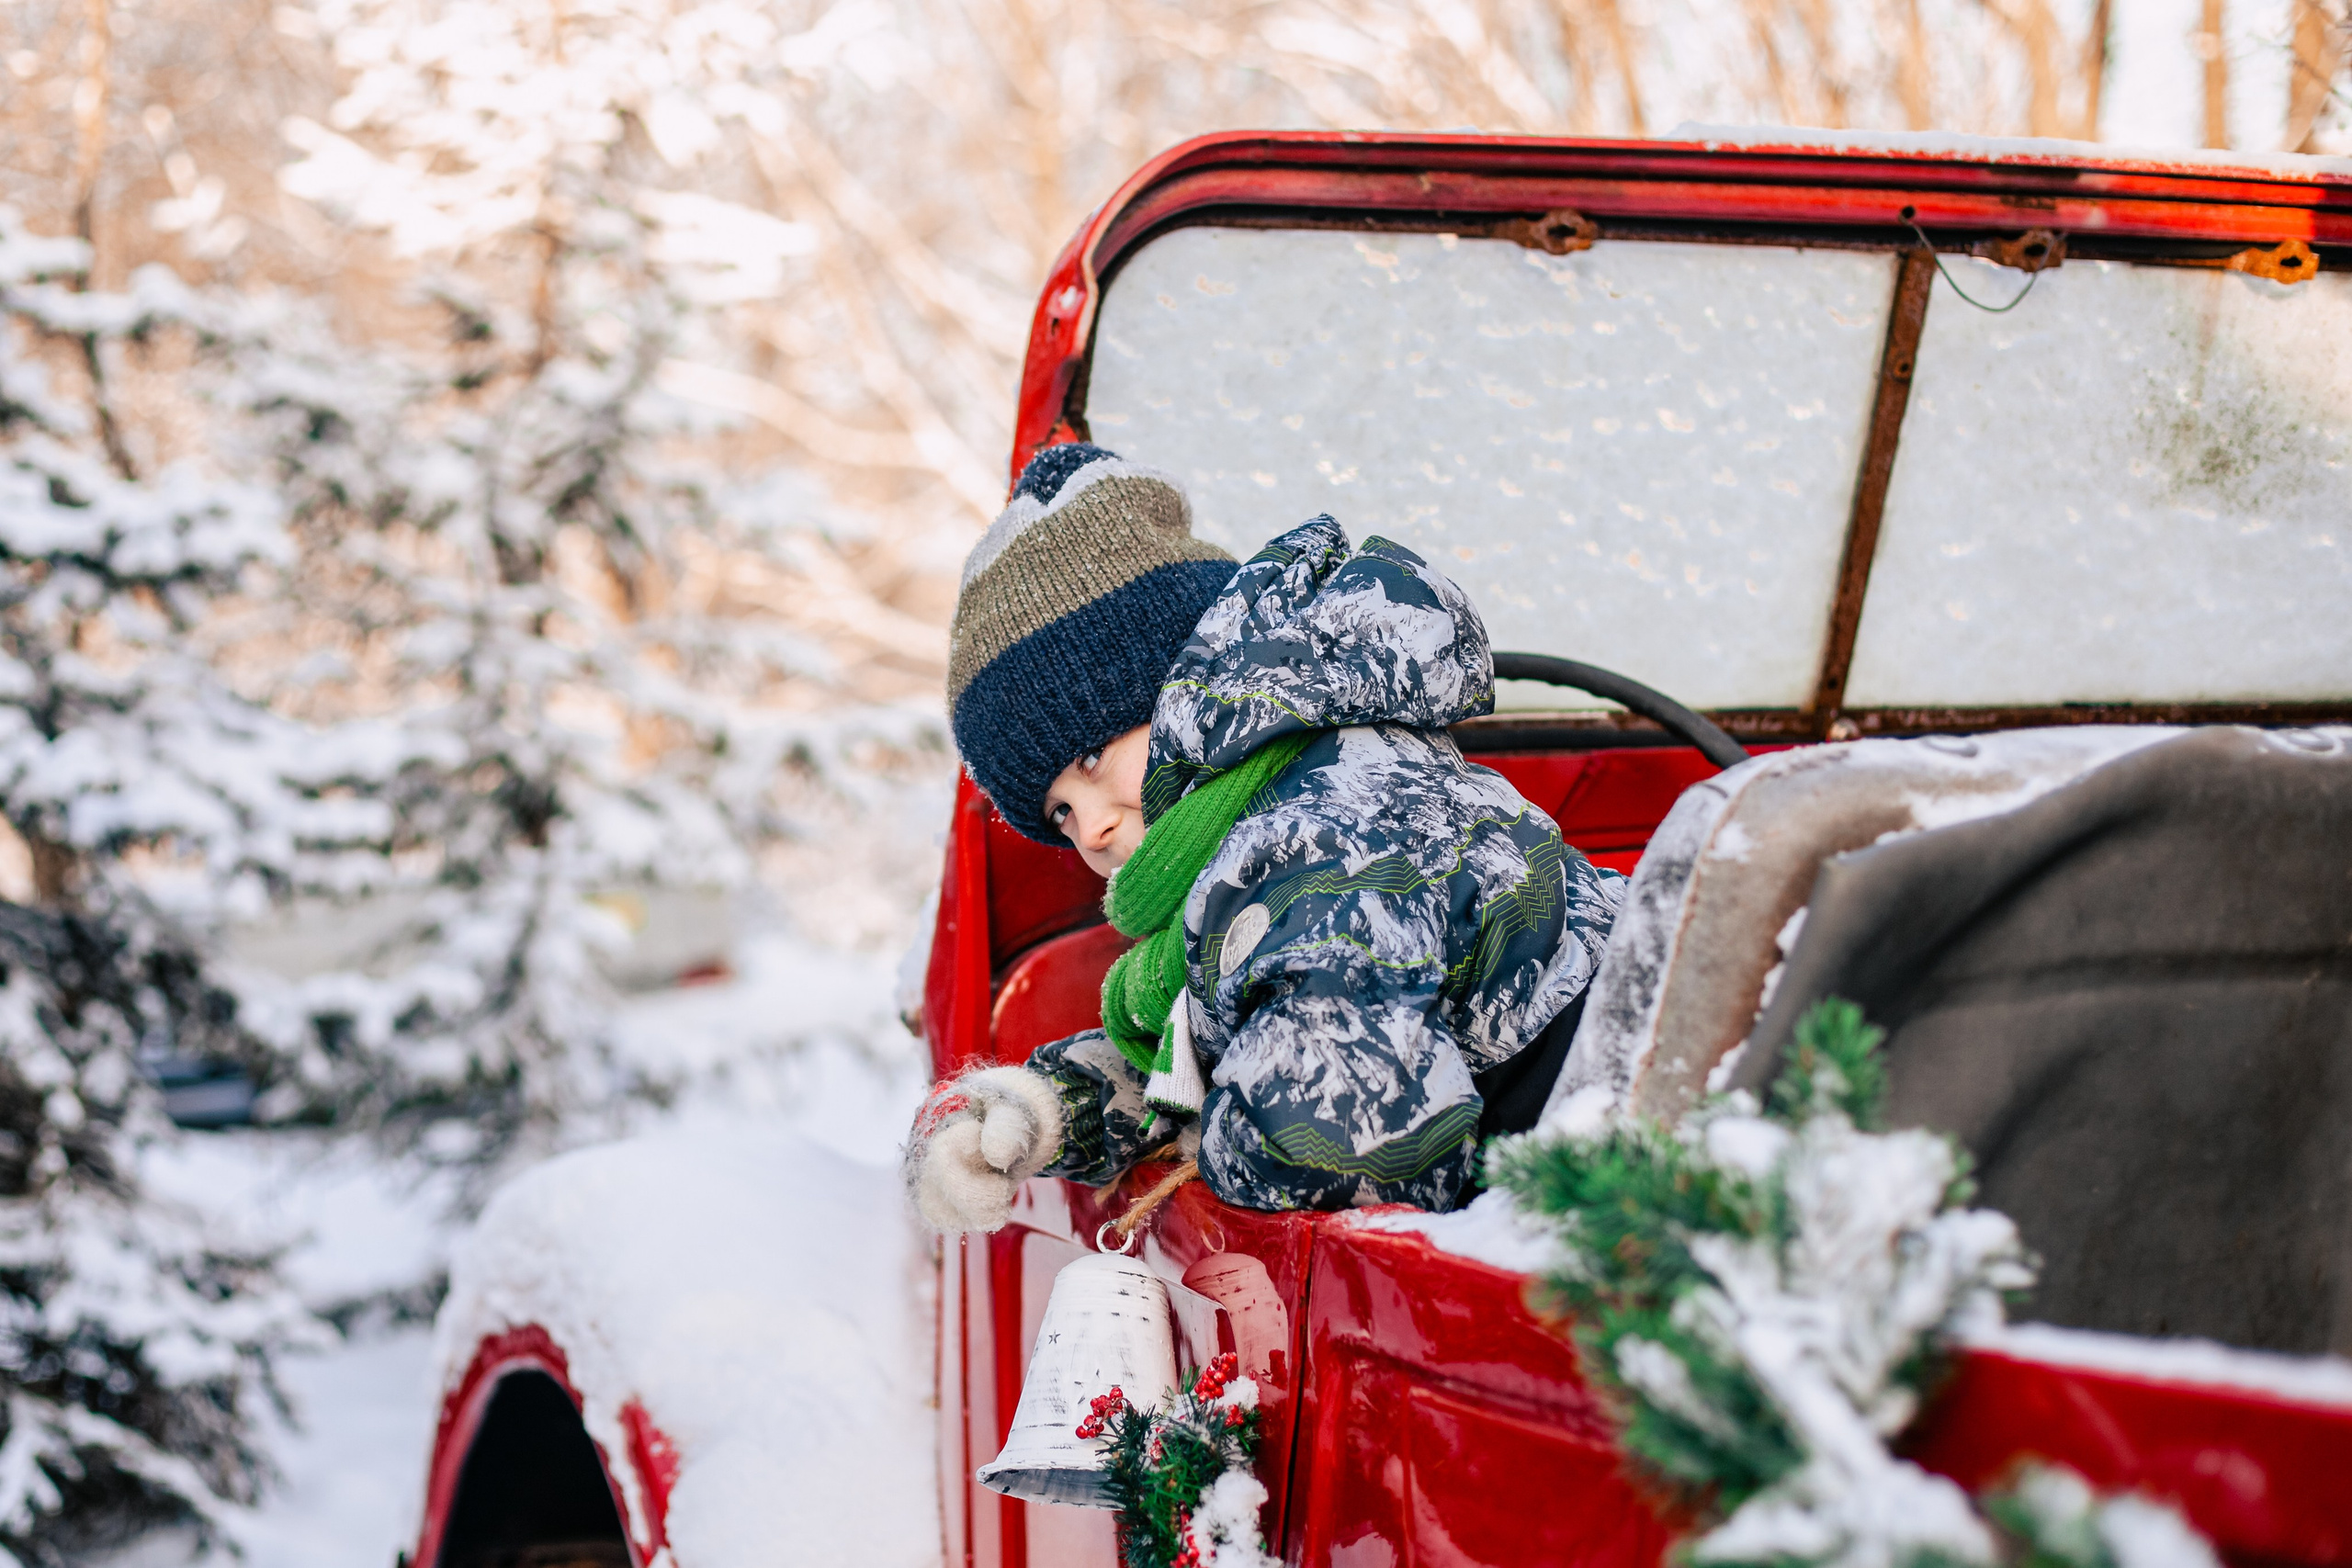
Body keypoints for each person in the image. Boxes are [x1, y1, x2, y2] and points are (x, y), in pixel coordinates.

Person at [902, 443, 1623, 1232]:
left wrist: (1203, 1142)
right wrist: (1052, 1109)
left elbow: (1342, 1140)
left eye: (1092, 759)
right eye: (1060, 813)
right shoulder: (1266, 840)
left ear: (1185, 690)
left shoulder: (1328, 835)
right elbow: (1233, 1035)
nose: (1093, 828)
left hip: (1630, 1169)